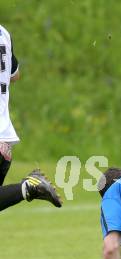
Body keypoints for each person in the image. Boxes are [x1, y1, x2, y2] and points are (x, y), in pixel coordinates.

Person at [0, 24, 61, 210]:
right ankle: (27, 187)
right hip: (4, 139)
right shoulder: (3, 33)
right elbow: (14, 74)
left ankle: (29, 186)